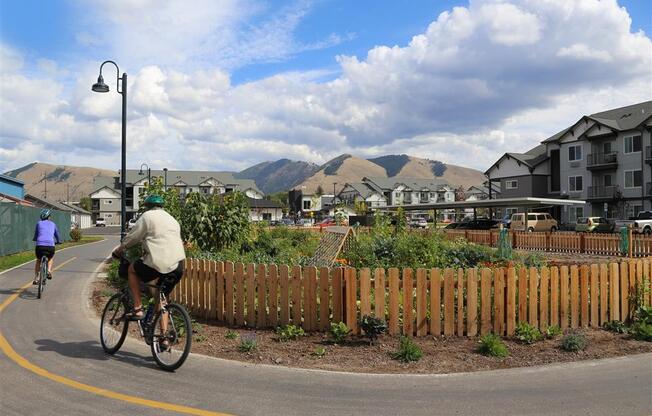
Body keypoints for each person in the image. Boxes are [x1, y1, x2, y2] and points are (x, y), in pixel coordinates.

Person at [112, 195, 185, 320]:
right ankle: (164, 338)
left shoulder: (147, 216)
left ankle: (138, 308)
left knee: (132, 269)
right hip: (178, 265)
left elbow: (133, 237)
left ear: (147, 206)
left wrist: (120, 250)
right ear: (162, 206)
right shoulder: (172, 219)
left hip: (158, 262)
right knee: (161, 301)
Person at [33, 208, 61, 284]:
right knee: (50, 258)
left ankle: (36, 278)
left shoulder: (38, 223)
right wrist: (58, 241)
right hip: (50, 247)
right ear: (49, 217)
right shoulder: (53, 224)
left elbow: (36, 235)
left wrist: (35, 239)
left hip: (40, 246)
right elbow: (57, 234)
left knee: (38, 260)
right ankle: (48, 271)